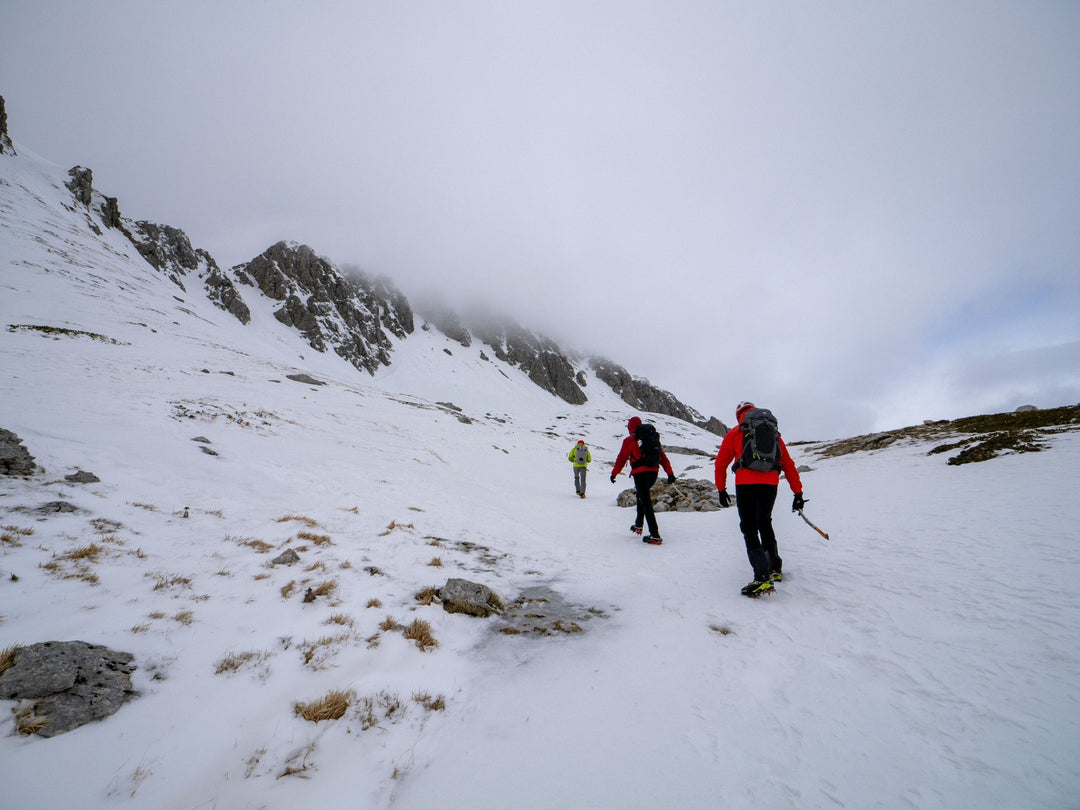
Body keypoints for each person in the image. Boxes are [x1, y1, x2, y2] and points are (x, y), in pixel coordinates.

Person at [714, 401, 804, 597]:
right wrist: (798, 492)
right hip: (770, 484)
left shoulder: (736, 432)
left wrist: (721, 489)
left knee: (749, 527)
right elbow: (788, 464)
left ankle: (762, 577)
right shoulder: (773, 434)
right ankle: (774, 568)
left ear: (739, 415)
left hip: (745, 483)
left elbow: (720, 463)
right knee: (765, 522)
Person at [611, 416, 676, 545]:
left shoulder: (630, 440)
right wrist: (670, 473)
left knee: (645, 501)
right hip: (653, 472)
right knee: (642, 496)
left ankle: (655, 535)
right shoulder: (651, 438)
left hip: (640, 474)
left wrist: (614, 474)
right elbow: (662, 456)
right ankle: (638, 525)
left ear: (630, 427)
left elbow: (622, 458)